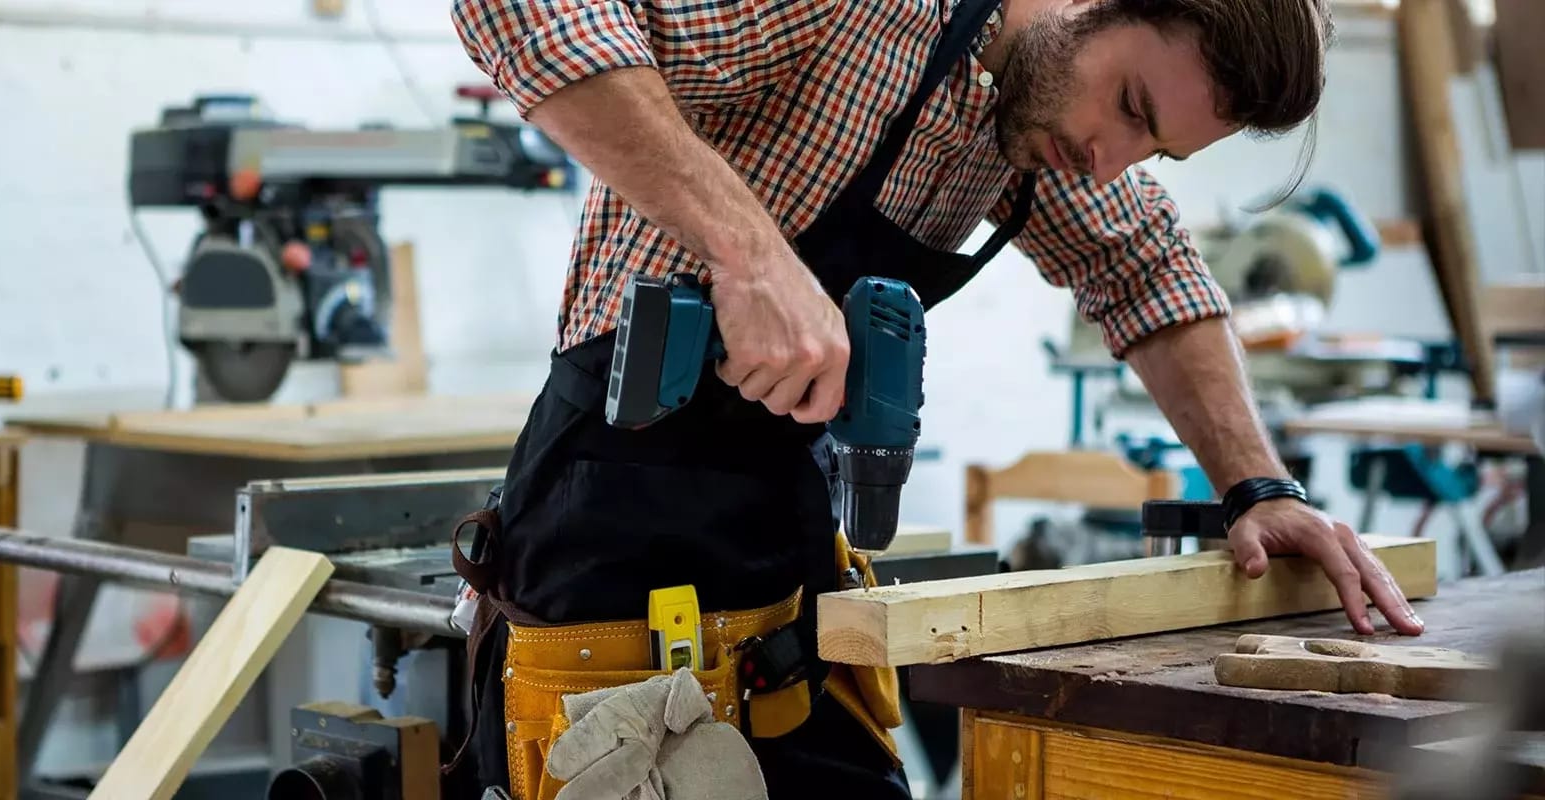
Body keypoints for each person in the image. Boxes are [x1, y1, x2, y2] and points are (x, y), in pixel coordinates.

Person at [444, 0, 1428, 796]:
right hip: (604, 520)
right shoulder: (854, 12)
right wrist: (747, 252)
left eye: (1155, 150)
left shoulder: (1031, 117)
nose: (1111, 160)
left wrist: (1259, 486)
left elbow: (1148, 269)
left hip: (779, 548)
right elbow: (528, 12)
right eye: (1131, 106)